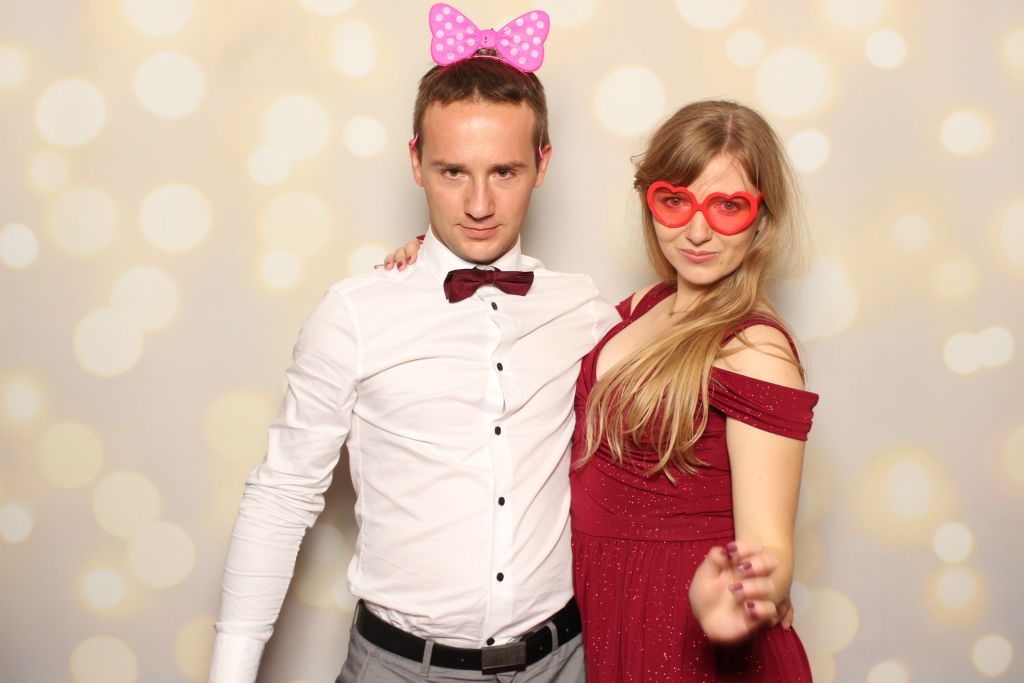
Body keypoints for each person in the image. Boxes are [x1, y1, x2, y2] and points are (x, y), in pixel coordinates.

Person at [208, 7, 619, 682]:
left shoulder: (585, 311)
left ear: (543, 164)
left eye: (505, 171)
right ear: (415, 162)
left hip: (560, 664)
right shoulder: (355, 314)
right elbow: (281, 496)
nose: (479, 204)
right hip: (400, 668)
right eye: (453, 171)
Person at [386, 99, 817, 681]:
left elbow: (770, 548)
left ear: (762, 216)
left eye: (728, 207)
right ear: (649, 201)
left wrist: (743, 601)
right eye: (676, 201)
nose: (697, 231)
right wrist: (433, 256)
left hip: (683, 629)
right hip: (605, 616)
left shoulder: (756, 351)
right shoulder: (639, 307)